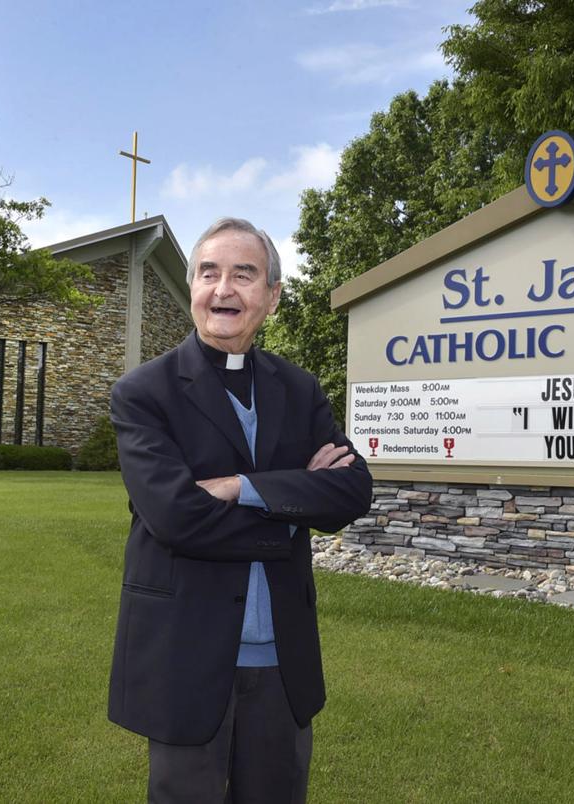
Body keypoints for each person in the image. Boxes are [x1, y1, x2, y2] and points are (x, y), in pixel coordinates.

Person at [107, 217, 373, 802]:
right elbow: (176, 517)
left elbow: (353, 492)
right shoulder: (145, 393)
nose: (223, 289)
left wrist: (236, 487)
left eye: (244, 275)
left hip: (282, 660)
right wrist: (293, 501)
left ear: (272, 297)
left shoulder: (298, 391)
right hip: (185, 653)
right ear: (193, 287)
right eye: (209, 273)